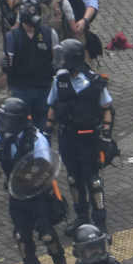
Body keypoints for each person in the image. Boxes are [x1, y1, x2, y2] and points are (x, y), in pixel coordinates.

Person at [0, 97, 70, 264]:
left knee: (46, 234)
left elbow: (46, 167)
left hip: (37, 195)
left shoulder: (37, 140)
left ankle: (59, 261)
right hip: (16, 195)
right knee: (21, 235)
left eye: (7, 120)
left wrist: (33, 181)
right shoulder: (4, 135)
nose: (3, 125)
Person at [48, 39, 114, 230]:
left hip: (89, 138)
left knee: (93, 180)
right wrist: (46, 131)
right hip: (68, 137)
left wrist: (106, 136)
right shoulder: (59, 81)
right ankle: (82, 217)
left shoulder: (94, 82)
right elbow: (52, 106)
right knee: (73, 179)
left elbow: (106, 107)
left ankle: (100, 223)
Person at [1, 0, 58, 129]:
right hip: (20, 88)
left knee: (43, 126)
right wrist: (4, 65)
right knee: (19, 126)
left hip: (43, 88)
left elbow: (57, 59)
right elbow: (8, 64)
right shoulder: (12, 37)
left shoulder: (49, 34)